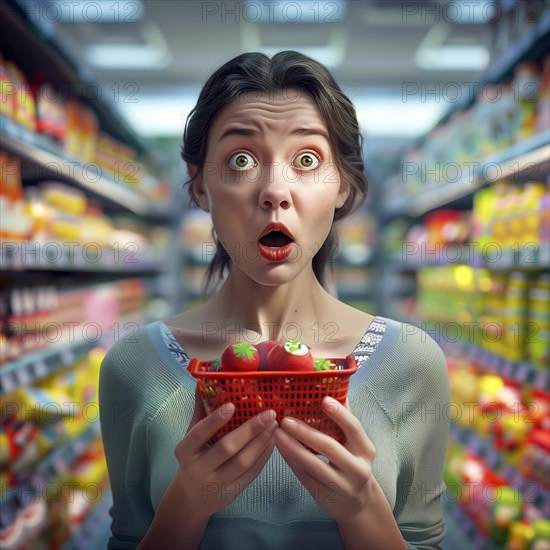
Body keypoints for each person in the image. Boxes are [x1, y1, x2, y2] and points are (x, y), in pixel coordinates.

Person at [99, 50, 450, 550]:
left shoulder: (413, 363)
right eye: (240, 160)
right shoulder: (133, 366)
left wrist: (363, 510)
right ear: (200, 187)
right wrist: (185, 508)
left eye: (307, 160)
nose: (274, 191)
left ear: (343, 186)